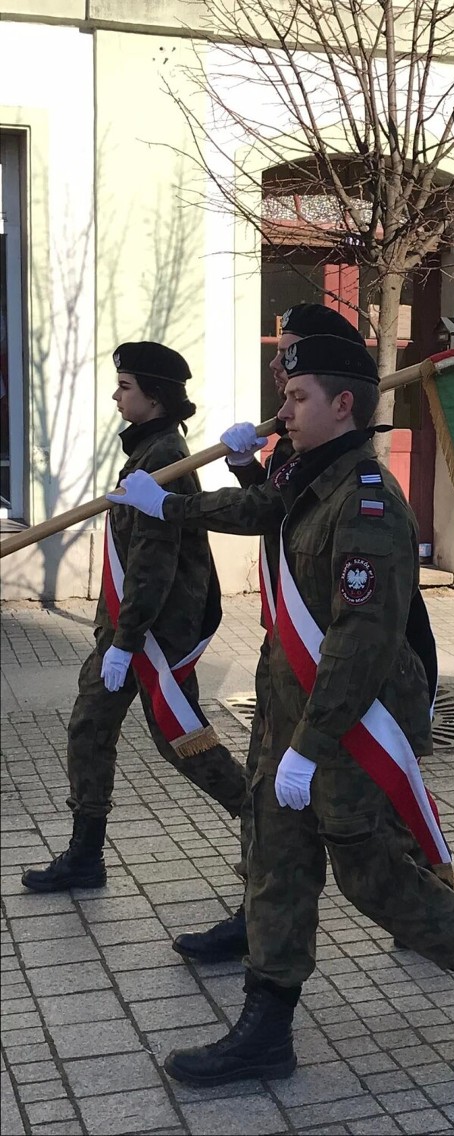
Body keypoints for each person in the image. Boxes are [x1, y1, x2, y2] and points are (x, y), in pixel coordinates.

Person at [108, 335, 454, 1082]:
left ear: (344, 405)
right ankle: (265, 1029)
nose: (283, 409)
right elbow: (260, 507)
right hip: (294, 706)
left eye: (298, 396)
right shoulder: (311, 477)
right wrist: (190, 495)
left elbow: (361, 643)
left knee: (369, 873)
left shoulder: (367, 501)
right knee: (277, 865)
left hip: (352, 719)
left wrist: (310, 746)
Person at [172, 304, 454, 963]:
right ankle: (261, 921)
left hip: (360, 659)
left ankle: (444, 898)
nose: (277, 368)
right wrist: (244, 468)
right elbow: (278, 511)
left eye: (290, 357)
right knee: (276, 821)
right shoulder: (304, 446)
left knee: (378, 830)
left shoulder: (358, 479)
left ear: (339, 394)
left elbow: (359, 620)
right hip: (297, 664)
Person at [21, 343, 247, 893]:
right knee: (91, 728)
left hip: (153, 636)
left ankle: (268, 824)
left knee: (181, 738)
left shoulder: (165, 459)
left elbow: (153, 562)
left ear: (155, 394)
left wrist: (126, 641)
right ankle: (85, 854)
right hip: (131, 631)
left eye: (125, 386)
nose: (116, 395)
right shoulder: (149, 451)